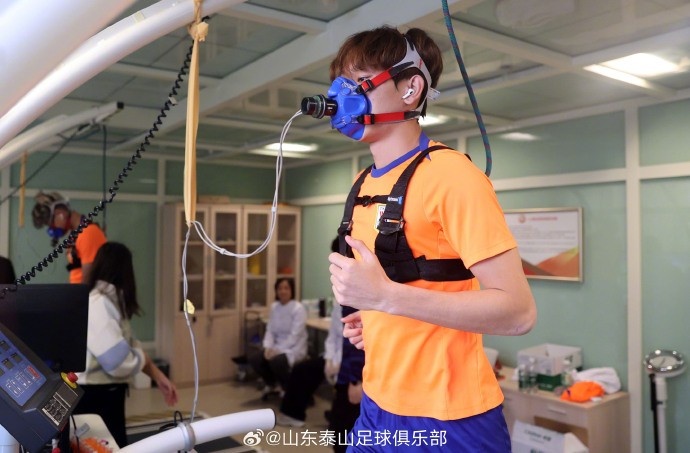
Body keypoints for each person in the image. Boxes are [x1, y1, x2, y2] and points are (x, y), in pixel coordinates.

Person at [324, 26, 537, 451]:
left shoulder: (451, 176)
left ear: (410, 89)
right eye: (340, 81)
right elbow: (411, 290)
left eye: (359, 80)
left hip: (449, 416)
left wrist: (385, 298)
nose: (340, 94)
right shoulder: (364, 182)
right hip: (377, 404)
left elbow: (518, 313)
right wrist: (379, 319)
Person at [73, 242, 178, 448]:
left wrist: (158, 376)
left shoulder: (109, 301)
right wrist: (136, 356)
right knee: (104, 446)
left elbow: (130, 346)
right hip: (95, 395)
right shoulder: (98, 303)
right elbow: (117, 361)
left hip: (105, 393)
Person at [248, 277, 307, 400]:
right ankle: (272, 384)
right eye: (280, 288)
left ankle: (289, 389)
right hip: (276, 347)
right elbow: (270, 330)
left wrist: (278, 351)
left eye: (286, 288)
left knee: (277, 362)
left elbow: (295, 336)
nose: (283, 291)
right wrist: (267, 347)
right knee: (255, 359)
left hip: (294, 348)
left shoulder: (298, 308)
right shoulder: (275, 307)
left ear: (292, 290)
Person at [31, 191, 107, 283]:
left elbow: (89, 279)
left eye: (51, 223)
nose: (52, 229)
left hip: (86, 292)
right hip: (78, 291)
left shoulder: (88, 233)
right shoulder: (75, 235)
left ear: (60, 214)